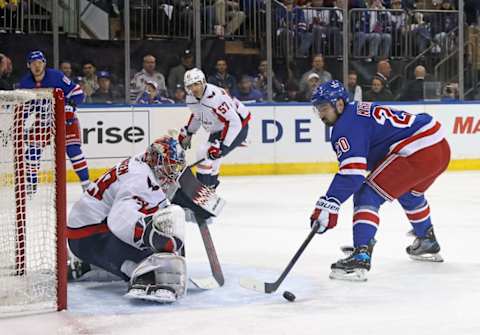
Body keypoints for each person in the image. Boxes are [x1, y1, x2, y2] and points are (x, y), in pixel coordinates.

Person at [309, 80, 450, 281]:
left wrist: (329, 202)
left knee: (367, 194)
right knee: (408, 192)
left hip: (418, 151)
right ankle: (426, 240)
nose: (321, 115)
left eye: (323, 107)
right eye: (318, 109)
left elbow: (353, 174)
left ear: (339, 104)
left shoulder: (346, 126)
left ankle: (361, 256)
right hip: (440, 148)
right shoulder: (356, 112)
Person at [68, 136, 188, 303]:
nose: (173, 172)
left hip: (88, 227)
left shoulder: (144, 163)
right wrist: (151, 236)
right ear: (156, 160)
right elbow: (119, 219)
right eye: (169, 166)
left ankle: (88, 266)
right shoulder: (138, 178)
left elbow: (148, 201)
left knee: (156, 245)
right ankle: (139, 276)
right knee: (151, 262)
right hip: (88, 236)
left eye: (175, 167)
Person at [19, 51, 91, 192]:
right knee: (32, 152)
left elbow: (77, 92)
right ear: (28, 65)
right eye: (34, 63)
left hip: (65, 119)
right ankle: (31, 186)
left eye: (40, 62)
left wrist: (70, 105)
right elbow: (25, 107)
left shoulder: (56, 76)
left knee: (73, 150)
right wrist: (20, 120)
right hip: (43, 120)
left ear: (45, 63)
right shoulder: (25, 83)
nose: (37, 66)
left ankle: (87, 184)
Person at [178, 68, 251, 189]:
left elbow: (234, 122)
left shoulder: (215, 97)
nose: (194, 89)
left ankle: (203, 189)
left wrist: (224, 145)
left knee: (204, 153)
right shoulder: (190, 98)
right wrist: (189, 132)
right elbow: (198, 115)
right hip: (220, 128)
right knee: (211, 156)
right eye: (190, 85)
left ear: (203, 82)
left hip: (238, 128)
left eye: (196, 84)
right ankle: (210, 188)